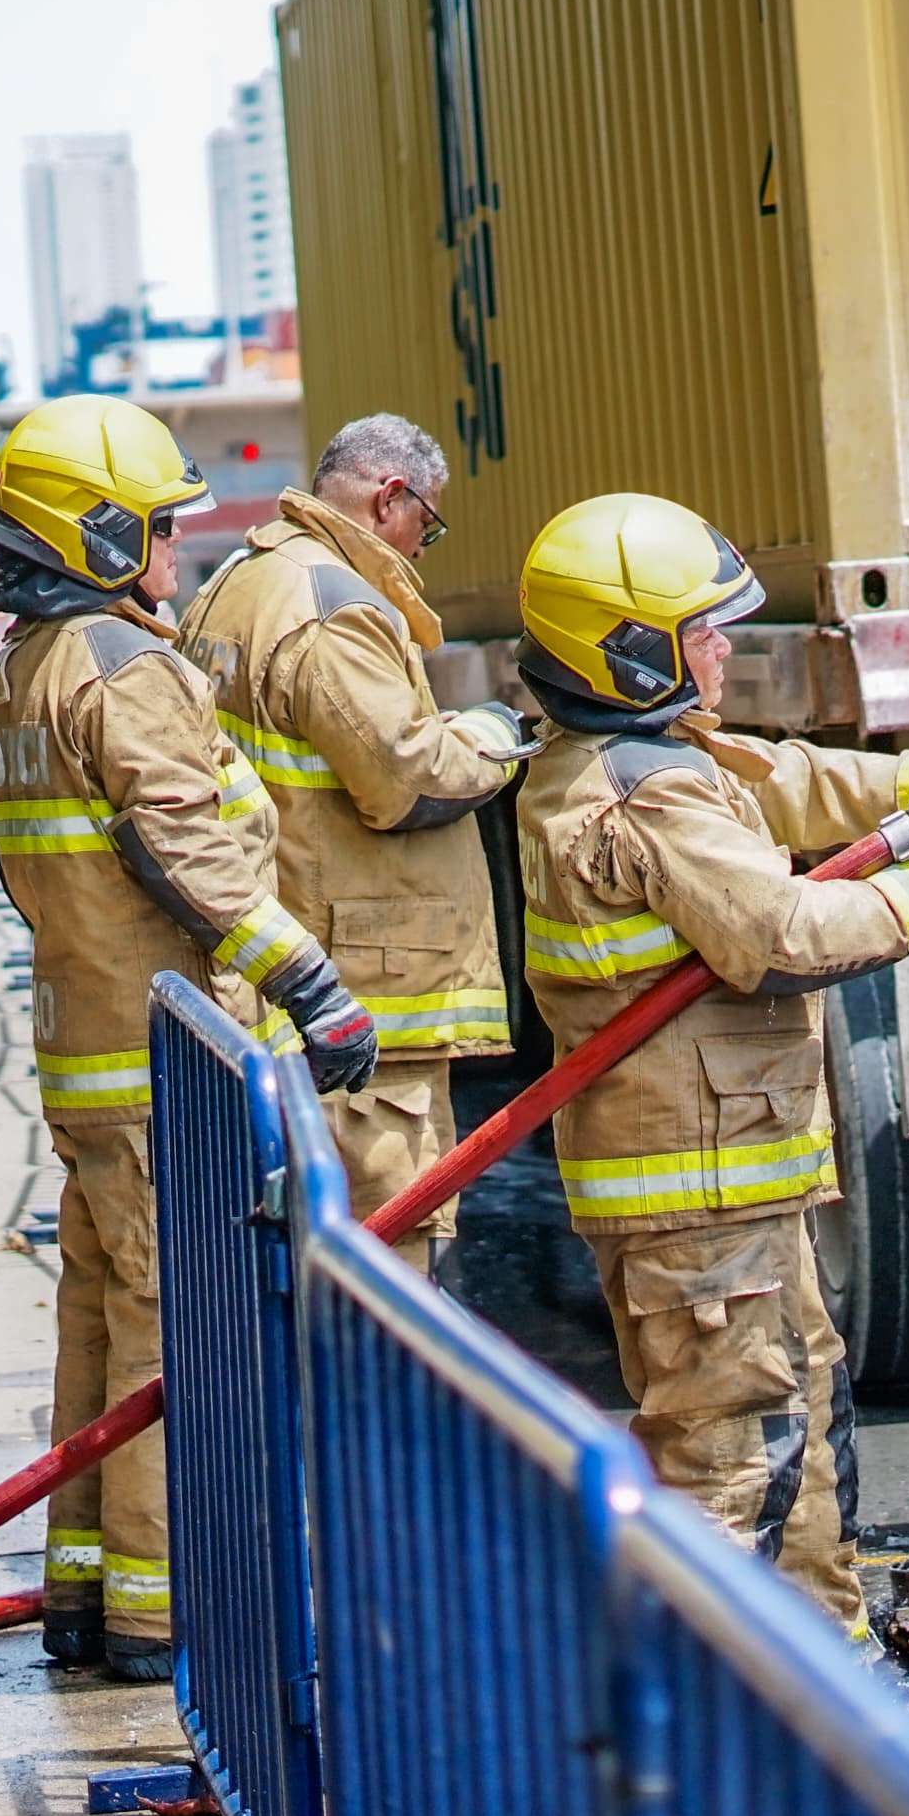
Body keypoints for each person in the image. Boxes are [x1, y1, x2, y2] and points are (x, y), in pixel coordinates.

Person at [513, 492, 909, 1647]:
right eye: (701, 630)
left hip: (733, 1186)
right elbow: (784, 936)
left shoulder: (648, 754)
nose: (722, 649)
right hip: (694, 1204)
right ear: (628, 651)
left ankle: (825, 1676)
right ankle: (695, 1728)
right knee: (725, 1468)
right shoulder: (638, 792)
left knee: (795, 1427)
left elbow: (789, 782)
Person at [0, 395, 379, 1679]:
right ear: (88, 535)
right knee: (172, 1344)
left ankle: (84, 1595)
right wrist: (309, 983)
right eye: (153, 529)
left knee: (94, 1331)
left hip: (87, 1065)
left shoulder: (15, 677)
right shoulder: (121, 668)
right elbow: (180, 848)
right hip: (166, 1067)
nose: (174, 556)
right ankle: (164, 1614)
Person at [182, 414, 530, 1273]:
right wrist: (492, 735)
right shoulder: (335, 607)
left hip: (292, 965)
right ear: (390, 498)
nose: (424, 544)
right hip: (368, 987)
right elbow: (402, 777)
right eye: (428, 521)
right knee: (390, 1262)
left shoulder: (236, 581)